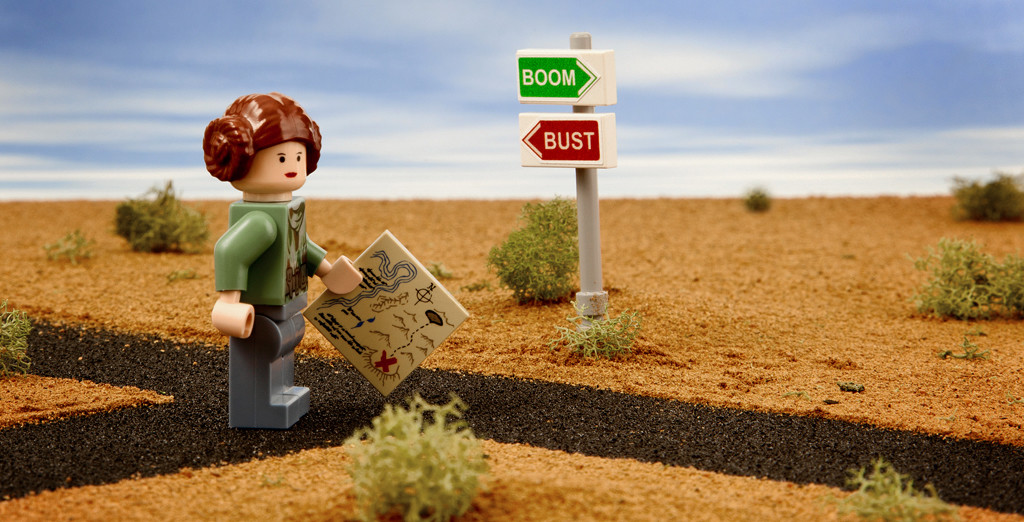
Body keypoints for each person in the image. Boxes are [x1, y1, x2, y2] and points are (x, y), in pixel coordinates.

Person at [203, 92, 362, 428]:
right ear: (242, 159)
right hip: (258, 309)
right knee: (265, 349)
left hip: (287, 300)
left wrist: (327, 272)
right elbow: (230, 251)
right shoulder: (259, 220)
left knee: (284, 346)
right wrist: (228, 301)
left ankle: (282, 393)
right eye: (280, 158)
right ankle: (261, 406)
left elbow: (298, 243)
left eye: (298, 156)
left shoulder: (287, 210)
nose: (292, 166)